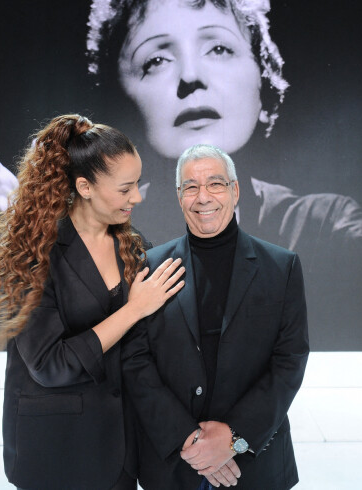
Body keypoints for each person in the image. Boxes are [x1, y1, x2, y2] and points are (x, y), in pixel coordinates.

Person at [0, 0, 362, 349]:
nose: (190, 76)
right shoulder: (108, 233)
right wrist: (45, 230)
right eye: (156, 59)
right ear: (121, 97)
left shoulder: (319, 218)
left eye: (219, 48)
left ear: (264, 82)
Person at [0, 114, 186, 489]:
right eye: (125, 189)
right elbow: (49, 365)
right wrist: (135, 308)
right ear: (85, 187)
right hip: (55, 451)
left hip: (121, 453)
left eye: (136, 184)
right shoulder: (32, 254)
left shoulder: (134, 244)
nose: (136, 197)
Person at [121, 143, 309, 489]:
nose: (203, 197)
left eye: (215, 184)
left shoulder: (281, 267)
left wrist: (234, 438)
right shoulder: (150, 267)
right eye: (190, 187)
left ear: (235, 191)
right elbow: (136, 361)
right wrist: (188, 439)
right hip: (173, 464)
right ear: (180, 197)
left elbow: (289, 362)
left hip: (255, 463)